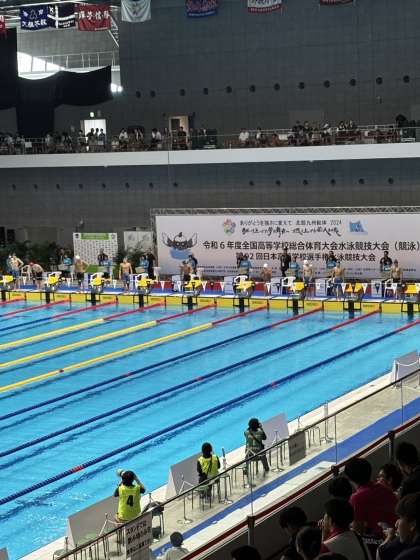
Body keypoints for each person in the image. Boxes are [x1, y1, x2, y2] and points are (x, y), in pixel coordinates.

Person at [344, 457, 397, 549]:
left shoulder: (356, 498)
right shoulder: (385, 489)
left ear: (349, 479)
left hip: (382, 542)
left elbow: (358, 532)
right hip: (396, 536)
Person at [377, 492, 420, 560]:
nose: (396, 524)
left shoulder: (407, 557)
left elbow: (381, 555)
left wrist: (388, 538)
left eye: (400, 518)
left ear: (413, 525)